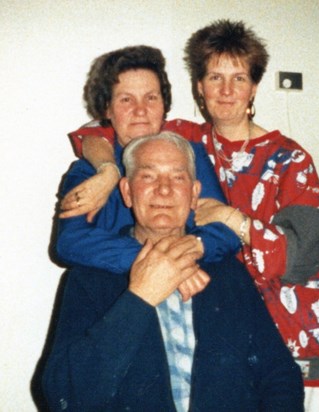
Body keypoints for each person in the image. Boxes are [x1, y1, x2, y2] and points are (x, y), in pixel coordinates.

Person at [61, 21, 319, 410]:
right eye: (215, 77)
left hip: (295, 330)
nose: (227, 91)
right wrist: (107, 171)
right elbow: (99, 134)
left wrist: (217, 231)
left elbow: (280, 252)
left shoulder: (275, 159)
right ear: (199, 86)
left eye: (239, 77)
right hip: (187, 310)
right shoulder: (188, 141)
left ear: (255, 86)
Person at [42, 132, 304, 411]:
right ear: (127, 193)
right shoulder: (89, 279)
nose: (164, 189)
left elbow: (280, 376)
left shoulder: (228, 274)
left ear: (194, 195)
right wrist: (139, 298)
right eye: (148, 176)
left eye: (178, 177)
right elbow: (64, 395)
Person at [55, 45, 241, 301]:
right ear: (107, 110)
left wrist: (193, 248)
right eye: (126, 99)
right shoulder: (88, 171)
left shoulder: (191, 157)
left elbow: (227, 231)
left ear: (164, 106)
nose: (140, 110)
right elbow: (70, 242)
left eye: (151, 97)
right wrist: (159, 264)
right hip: (118, 295)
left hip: (191, 290)